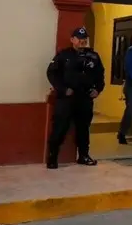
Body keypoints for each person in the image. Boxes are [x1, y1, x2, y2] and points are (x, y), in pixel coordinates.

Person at [45, 26, 105, 169]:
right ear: (73, 40)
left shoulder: (94, 57)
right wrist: (63, 89)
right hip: (67, 99)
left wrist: (97, 89)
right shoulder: (64, 55)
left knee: (83, 129)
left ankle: (83, 156)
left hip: (84, 98)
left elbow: (100, 76)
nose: (82, 41)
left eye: (85, 39)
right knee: (60, 128)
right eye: (79, 38)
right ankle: (52, 158)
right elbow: (52, 73)